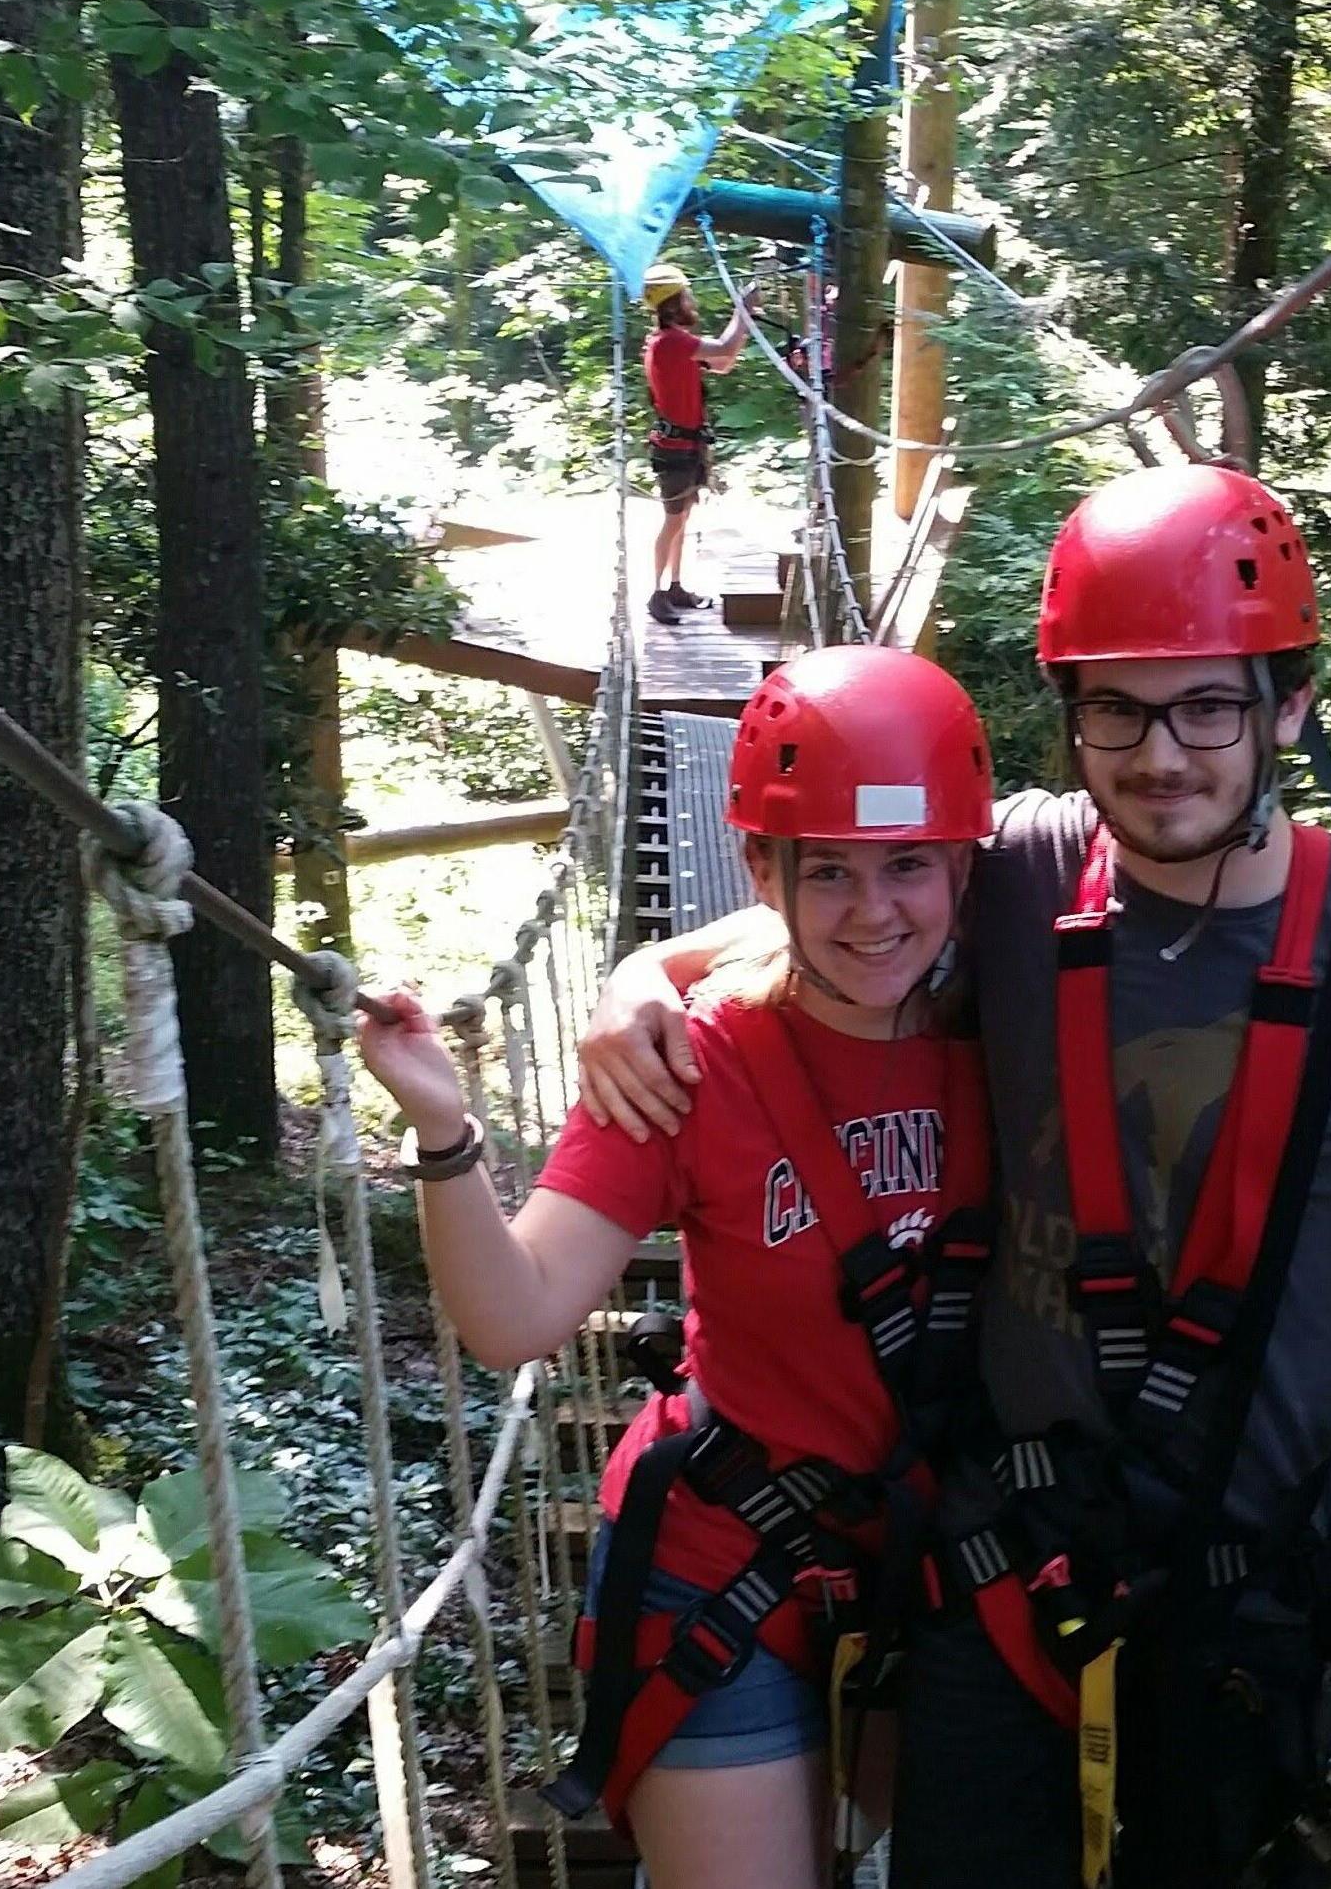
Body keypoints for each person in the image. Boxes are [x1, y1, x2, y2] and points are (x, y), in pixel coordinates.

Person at [572, 465, 1331, 1889]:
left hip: (1239, 1588)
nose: (1161, 755)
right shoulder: (1023, 870)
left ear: (1289, 705)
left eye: (1208, 705)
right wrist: (639, 971)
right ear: (1073, 715)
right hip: (996, 1574)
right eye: (1117, 709)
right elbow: (835, 904)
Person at [358, 642, 998, 1889]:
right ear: (764, 871)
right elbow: (517, 1315)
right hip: (729, 1566)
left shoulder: (1015, 1017)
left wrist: (654, 952)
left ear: (964, 866)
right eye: (830, 873)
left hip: (944, 1564)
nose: (875, 911)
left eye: (910, 865)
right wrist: (444, 1132)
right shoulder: (681, 1061)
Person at [641, 261, 754, 626]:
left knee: (682, 519)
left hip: (685, 447)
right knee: (673, 521)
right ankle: (656, 593)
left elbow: (723, 362)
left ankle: (674, 586)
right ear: (673, 303)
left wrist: (744, 325)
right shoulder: (671, 343)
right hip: (675, 449)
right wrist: (742, 310)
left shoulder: (674, 345)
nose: (692, 301)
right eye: (686, 295)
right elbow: (722, 346)